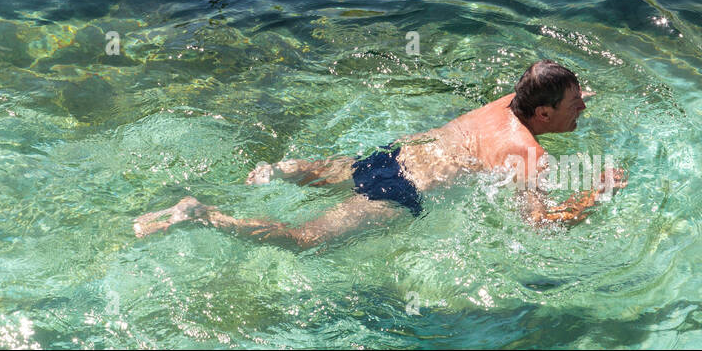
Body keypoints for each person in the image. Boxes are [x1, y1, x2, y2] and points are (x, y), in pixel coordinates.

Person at [133, 59, 626, 249]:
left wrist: (571, 97)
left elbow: (540, 97)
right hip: (401, 192)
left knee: (326, 175)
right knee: (304, 239)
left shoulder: (506, 104)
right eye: (575, 102)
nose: (583, 106)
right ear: (542, 115)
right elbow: (540, 224)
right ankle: (202, 216)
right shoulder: (527, 154)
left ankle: (280, 172)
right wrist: (597, 193)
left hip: (392, 157)